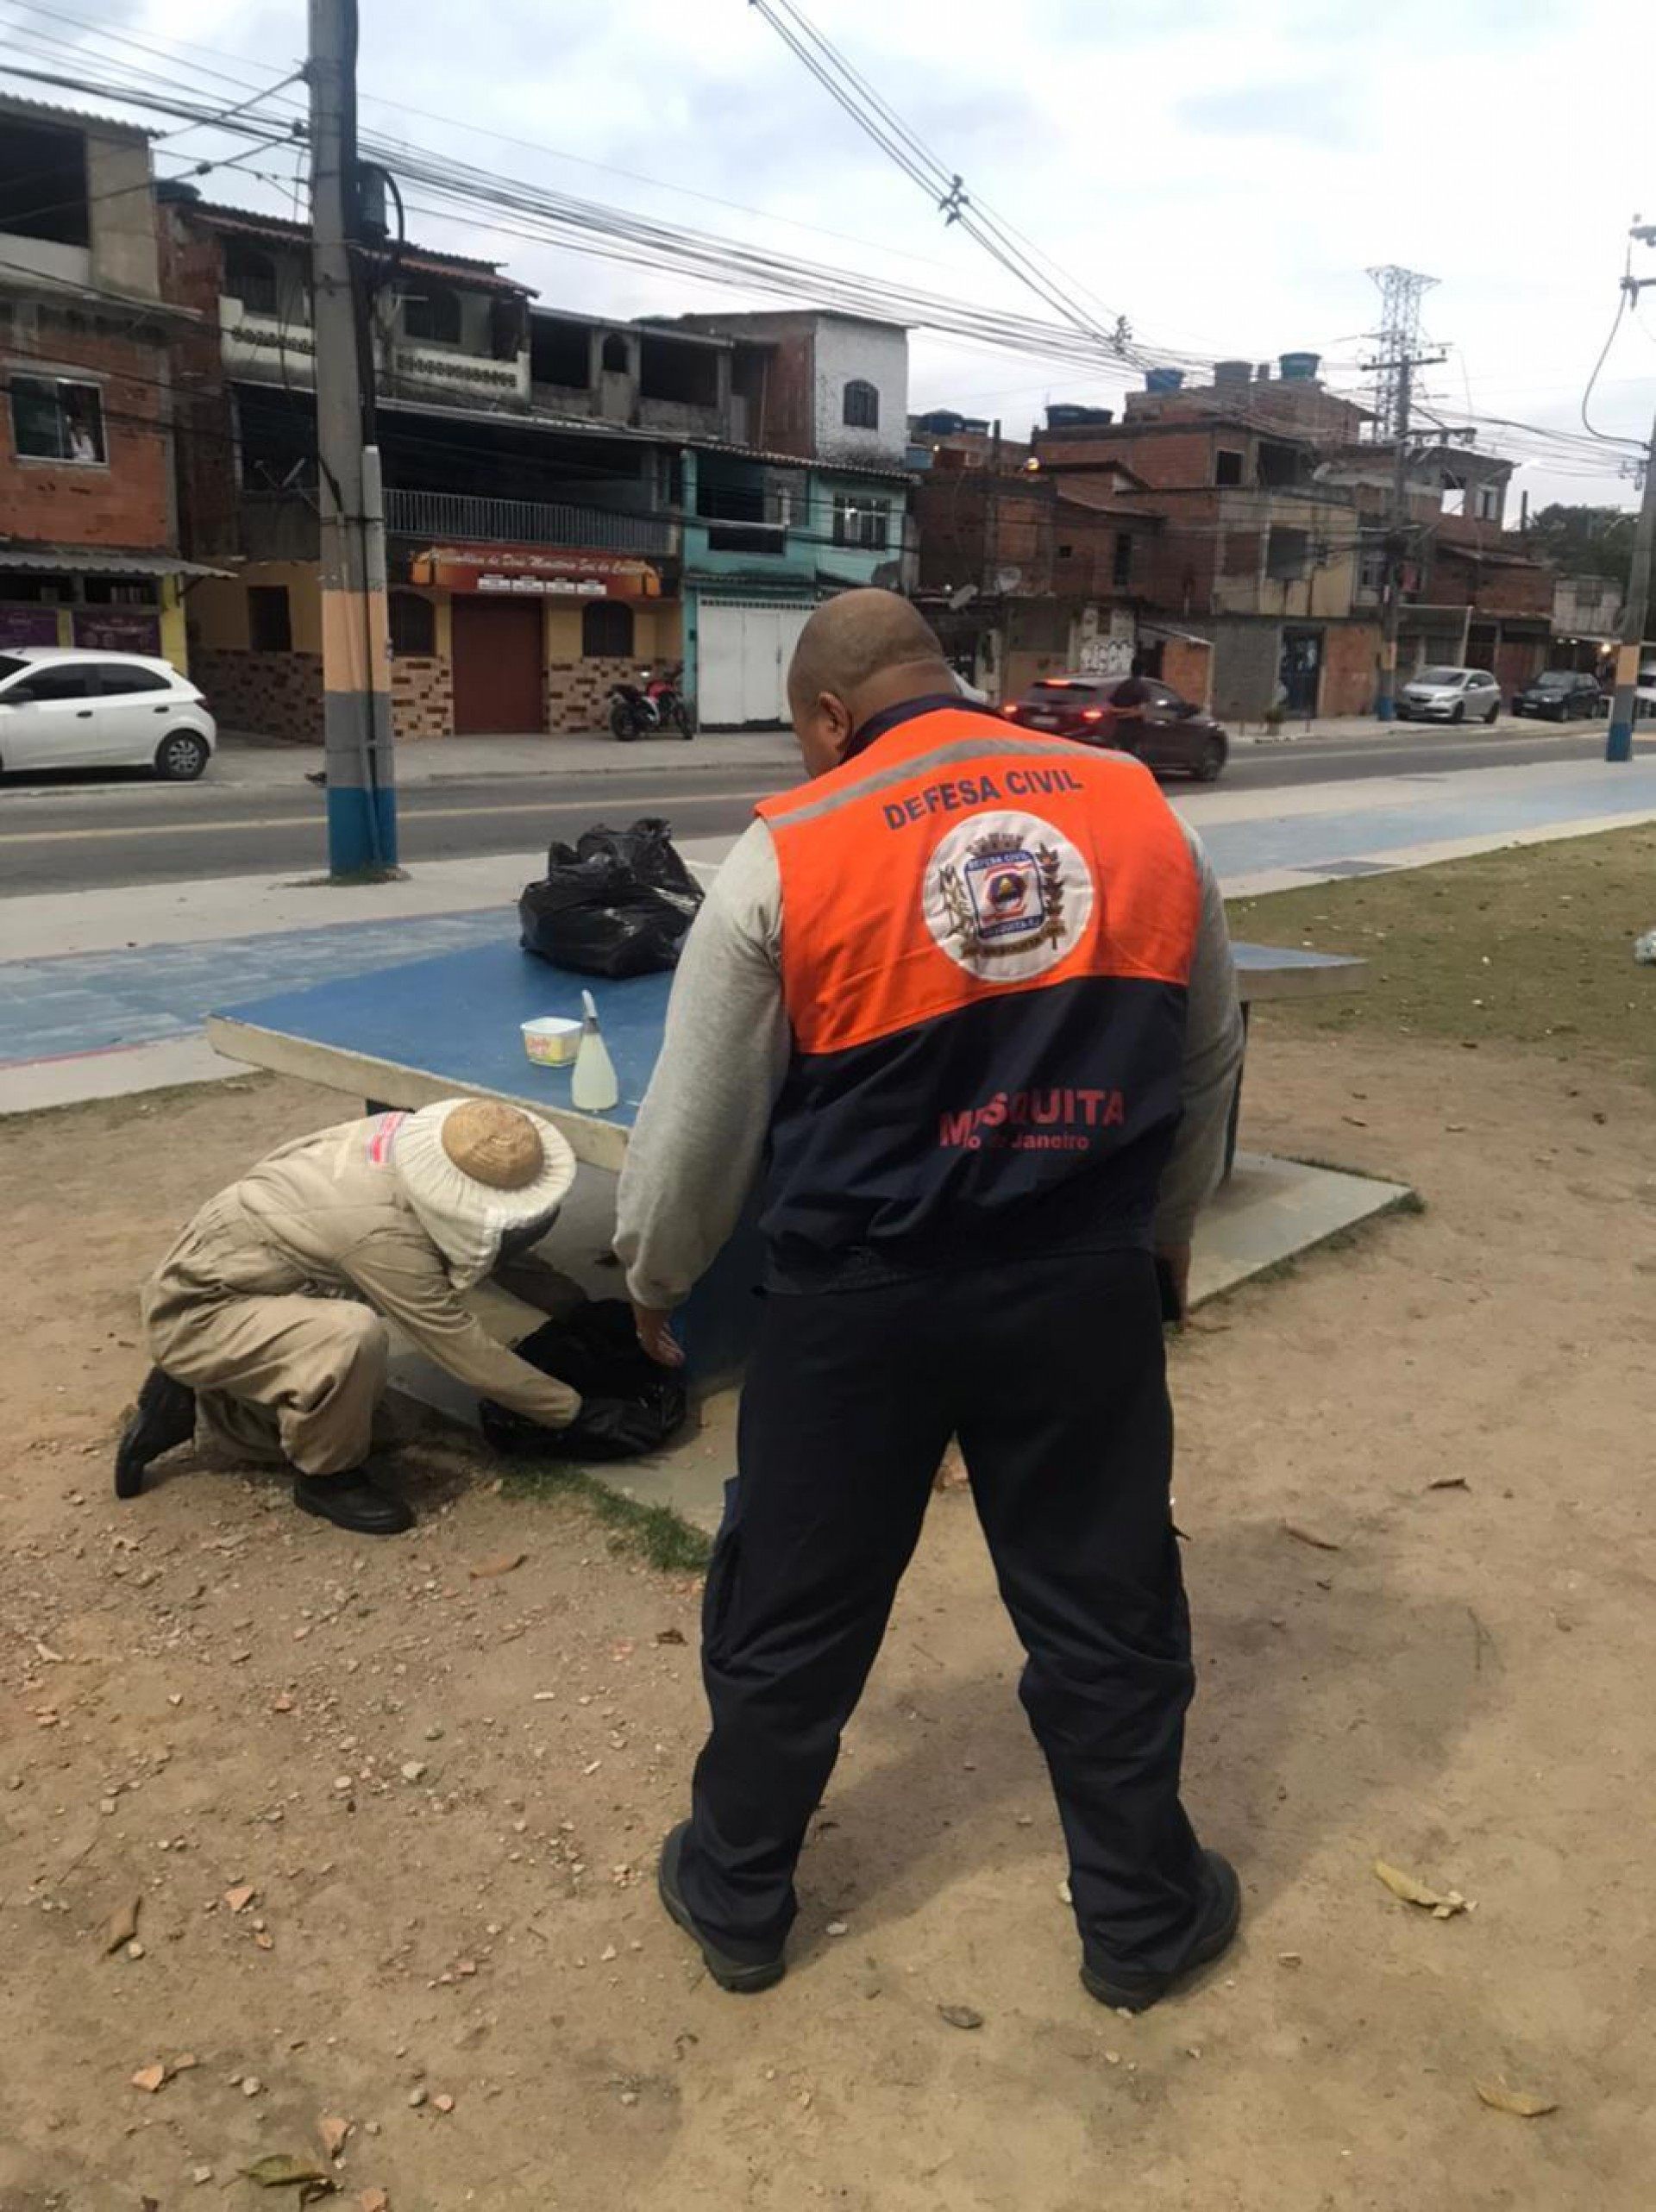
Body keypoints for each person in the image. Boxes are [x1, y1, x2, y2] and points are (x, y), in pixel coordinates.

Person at [614, 588, 1246, 2009]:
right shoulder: (1147, 815)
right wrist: (1166, 1237)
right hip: (1080, 1287)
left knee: (790, 1608)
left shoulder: (793, 850)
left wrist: (655, 1282)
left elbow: (701, 1120)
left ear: (830, 718)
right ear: (946, 678)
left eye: (803, 740)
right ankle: (1142, 1922)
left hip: (856, 1309)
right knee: (1104, 1604)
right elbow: (1205, 1061)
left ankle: (738, 1899)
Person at [116, 1099, 587, 1536]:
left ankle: (194, 1386)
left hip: (256, 1275)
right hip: (199, 1311)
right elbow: (458, 1345)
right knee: (352, 1340)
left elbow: (494, 1243)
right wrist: (572, 1411)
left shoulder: (407, 1140)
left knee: (380, 1415)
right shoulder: (382, 1236)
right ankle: (323, 1479)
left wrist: (577, 1309)